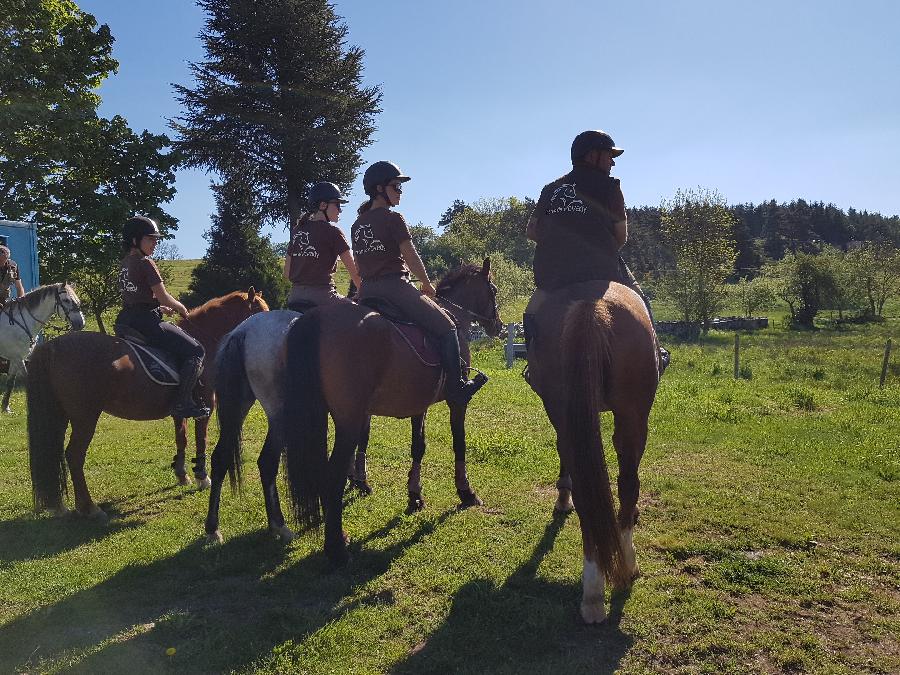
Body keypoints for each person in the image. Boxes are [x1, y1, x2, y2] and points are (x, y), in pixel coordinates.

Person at [524, 130, 669, 373]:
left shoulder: (550, 189)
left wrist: (559, 246)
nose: (612, 162)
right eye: (609, 155)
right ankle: (657, 351)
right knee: (641, 300)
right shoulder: (611, 187)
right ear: (592, 156)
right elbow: (620, 237)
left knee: (530, 313)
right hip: (601, 269)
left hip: (554, 275)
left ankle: (534, 365)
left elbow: (531, 231)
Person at [351, 161, 486, 404]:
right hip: (395, 289)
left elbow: (359, 267)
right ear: (380, 189)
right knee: (447, 327)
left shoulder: (356, 225)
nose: (400, 192)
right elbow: (410, 255)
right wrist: (426, 283)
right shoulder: (394, 218)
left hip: (367, 292)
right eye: (396, 186)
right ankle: (457, 388)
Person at [115, 216, 210, 418]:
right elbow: (164, 297)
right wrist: (180, 307)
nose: (155, 243)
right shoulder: (145, 262)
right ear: (135, 240)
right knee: (196, 350)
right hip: (145, 322)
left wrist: (159, 308)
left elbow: (138, 295)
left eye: (156, 239)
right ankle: (183, 403)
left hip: (126, 319)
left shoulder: (125, 263)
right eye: (150, 239)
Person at [284, 182, 361, 310]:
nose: (340, 210)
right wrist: (362, 291)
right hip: (323, 298)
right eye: (337, 204)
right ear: (323, 205)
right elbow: (353, 272)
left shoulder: (297, 231)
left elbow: (287, 273)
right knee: (360, 314)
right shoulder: (333, 232)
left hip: (294, 298)